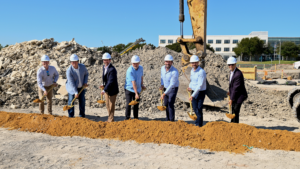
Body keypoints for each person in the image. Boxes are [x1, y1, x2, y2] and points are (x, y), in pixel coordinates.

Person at [124, 55, 146, 120]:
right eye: (134, 63)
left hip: (138, 88)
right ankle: (127, 118)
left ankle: (136, 118)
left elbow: (141, 76)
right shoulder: (129, 71)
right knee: (129, 103)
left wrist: (142, 85)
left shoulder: (141, 68)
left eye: (136, 63)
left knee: (136, 103)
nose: (135, 64)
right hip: (129, 89)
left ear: (139, 62)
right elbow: (133, 83)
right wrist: (136, 93)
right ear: (131, 63)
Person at [227, 57, 248, 123]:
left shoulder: (238, 74)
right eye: (229, 65)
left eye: (232, 64)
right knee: (233, 110)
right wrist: (230, 92)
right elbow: (232, 85)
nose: (230, 66)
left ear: (235, 64)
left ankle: (235, 126)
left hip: (239, 96)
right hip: (234, 95)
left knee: (235, 111)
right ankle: (232, 124)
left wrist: (231, 99)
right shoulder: (231, 72)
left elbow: (236, 88)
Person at [187, 55, 206, 127]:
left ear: (198, 62)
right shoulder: (192, 70)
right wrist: (190, 87)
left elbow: (199, 86)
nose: (194, 64)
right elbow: (192, 81)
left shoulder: (201, 72)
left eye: (195, 62)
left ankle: (199, 124)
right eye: (192, 63)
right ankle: (197, 122)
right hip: (194, 91)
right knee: (195, 108)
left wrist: (192, 95)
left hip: (200, 92)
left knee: (199, 108)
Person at [100, 53, 119, 122]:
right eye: (105, 60)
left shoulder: (112, 69)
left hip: (112, 90)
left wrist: (104, 90)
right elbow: (106, 79)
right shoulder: (104, 67)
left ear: (110, 60)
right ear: (103, 60)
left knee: (111, 106)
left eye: (107, 60)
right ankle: (110, 118)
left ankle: (110, 120)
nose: (106, 61)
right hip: (107, 89)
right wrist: (103, 84)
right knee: (107, 105)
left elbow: (111, 81)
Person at [160, 54, 179, 121]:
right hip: (165, 88)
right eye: (166, 61)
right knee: (166, 104)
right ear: (164, 62)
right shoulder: (162, 68)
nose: (168, 63)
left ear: (172, 62)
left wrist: (164, 94)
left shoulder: (175, 72)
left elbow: (172, 85)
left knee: (170, 103)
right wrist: (162, 85)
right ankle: (167, 119)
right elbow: (162, 77)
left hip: (173, 89)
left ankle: (171, 120)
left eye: (169, 61)